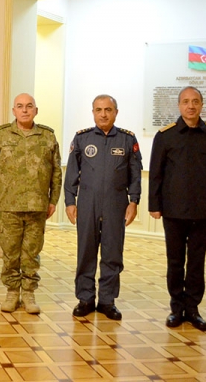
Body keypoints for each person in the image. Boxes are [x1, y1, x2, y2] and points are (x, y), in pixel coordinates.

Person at [149, 86, 206, 332]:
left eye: (195, 101)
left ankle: (193, 308)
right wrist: (154, 204)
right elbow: (156, 173)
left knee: (196, 261)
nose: (191, 106)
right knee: (175, 261)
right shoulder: (165, 135)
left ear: (201, 105)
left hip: (204, 210)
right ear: (179, 105)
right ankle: (176, 308)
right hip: (173, 210)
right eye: (186, 101)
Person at [64, 95, 142, 321]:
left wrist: (134, 201)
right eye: (98, 109)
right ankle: (85, 298)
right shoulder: (82, 138)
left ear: (116, 112)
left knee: (112, 253)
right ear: (93, 112)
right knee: (86, 251)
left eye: (108, 109)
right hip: (87, 204)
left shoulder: (127, 140)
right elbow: (71, 174)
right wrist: (71, 201)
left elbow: (135, 174)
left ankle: (107, 300)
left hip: (116, 204)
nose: (103, 114)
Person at [0, 93, 61, 314]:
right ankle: (11, 292)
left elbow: (56, 171)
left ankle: (28, 293)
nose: (25, 110)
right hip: (8, 205)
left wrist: (53, 199)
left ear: (36, 110)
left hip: (37, 205)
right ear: (14, 111)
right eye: (20, 106)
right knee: (10, 252)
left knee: (31, 252)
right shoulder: (1, 135)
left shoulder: (47, 136)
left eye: (29, 106)